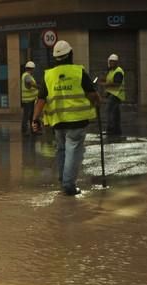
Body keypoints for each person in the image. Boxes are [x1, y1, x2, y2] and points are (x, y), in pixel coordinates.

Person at [32, 40, 100, 196]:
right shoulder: (78, 71)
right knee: (73, 150)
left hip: (58, 122)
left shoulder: (49, 75)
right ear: (70, 55)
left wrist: (35, 119)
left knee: (62, 150)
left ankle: (63, 180)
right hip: (77, 120)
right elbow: (92, 94)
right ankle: (69, 185)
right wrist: (98, 101)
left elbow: (41, 99)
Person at [101, 53, 125, 136]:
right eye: (110, 62)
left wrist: (106, 84)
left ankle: (110, 129)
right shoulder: (111, 71)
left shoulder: (118, 71)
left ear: (117, 62)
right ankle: (117, 130)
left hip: (116, 95)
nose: (111, 63)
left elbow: (117, 83)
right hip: (113, 94)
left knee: (109, 111)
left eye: (113, 62)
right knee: (115, 113)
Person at [21, 61, 38, 134]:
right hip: (28, 100)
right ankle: (25, 130)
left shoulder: (26, 75)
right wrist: (37, 86)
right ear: (32, 69)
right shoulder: (27, 76)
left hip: (30, 99)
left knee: (31, 115)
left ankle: (32, 130)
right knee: (27, 115)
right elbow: (29, 82)